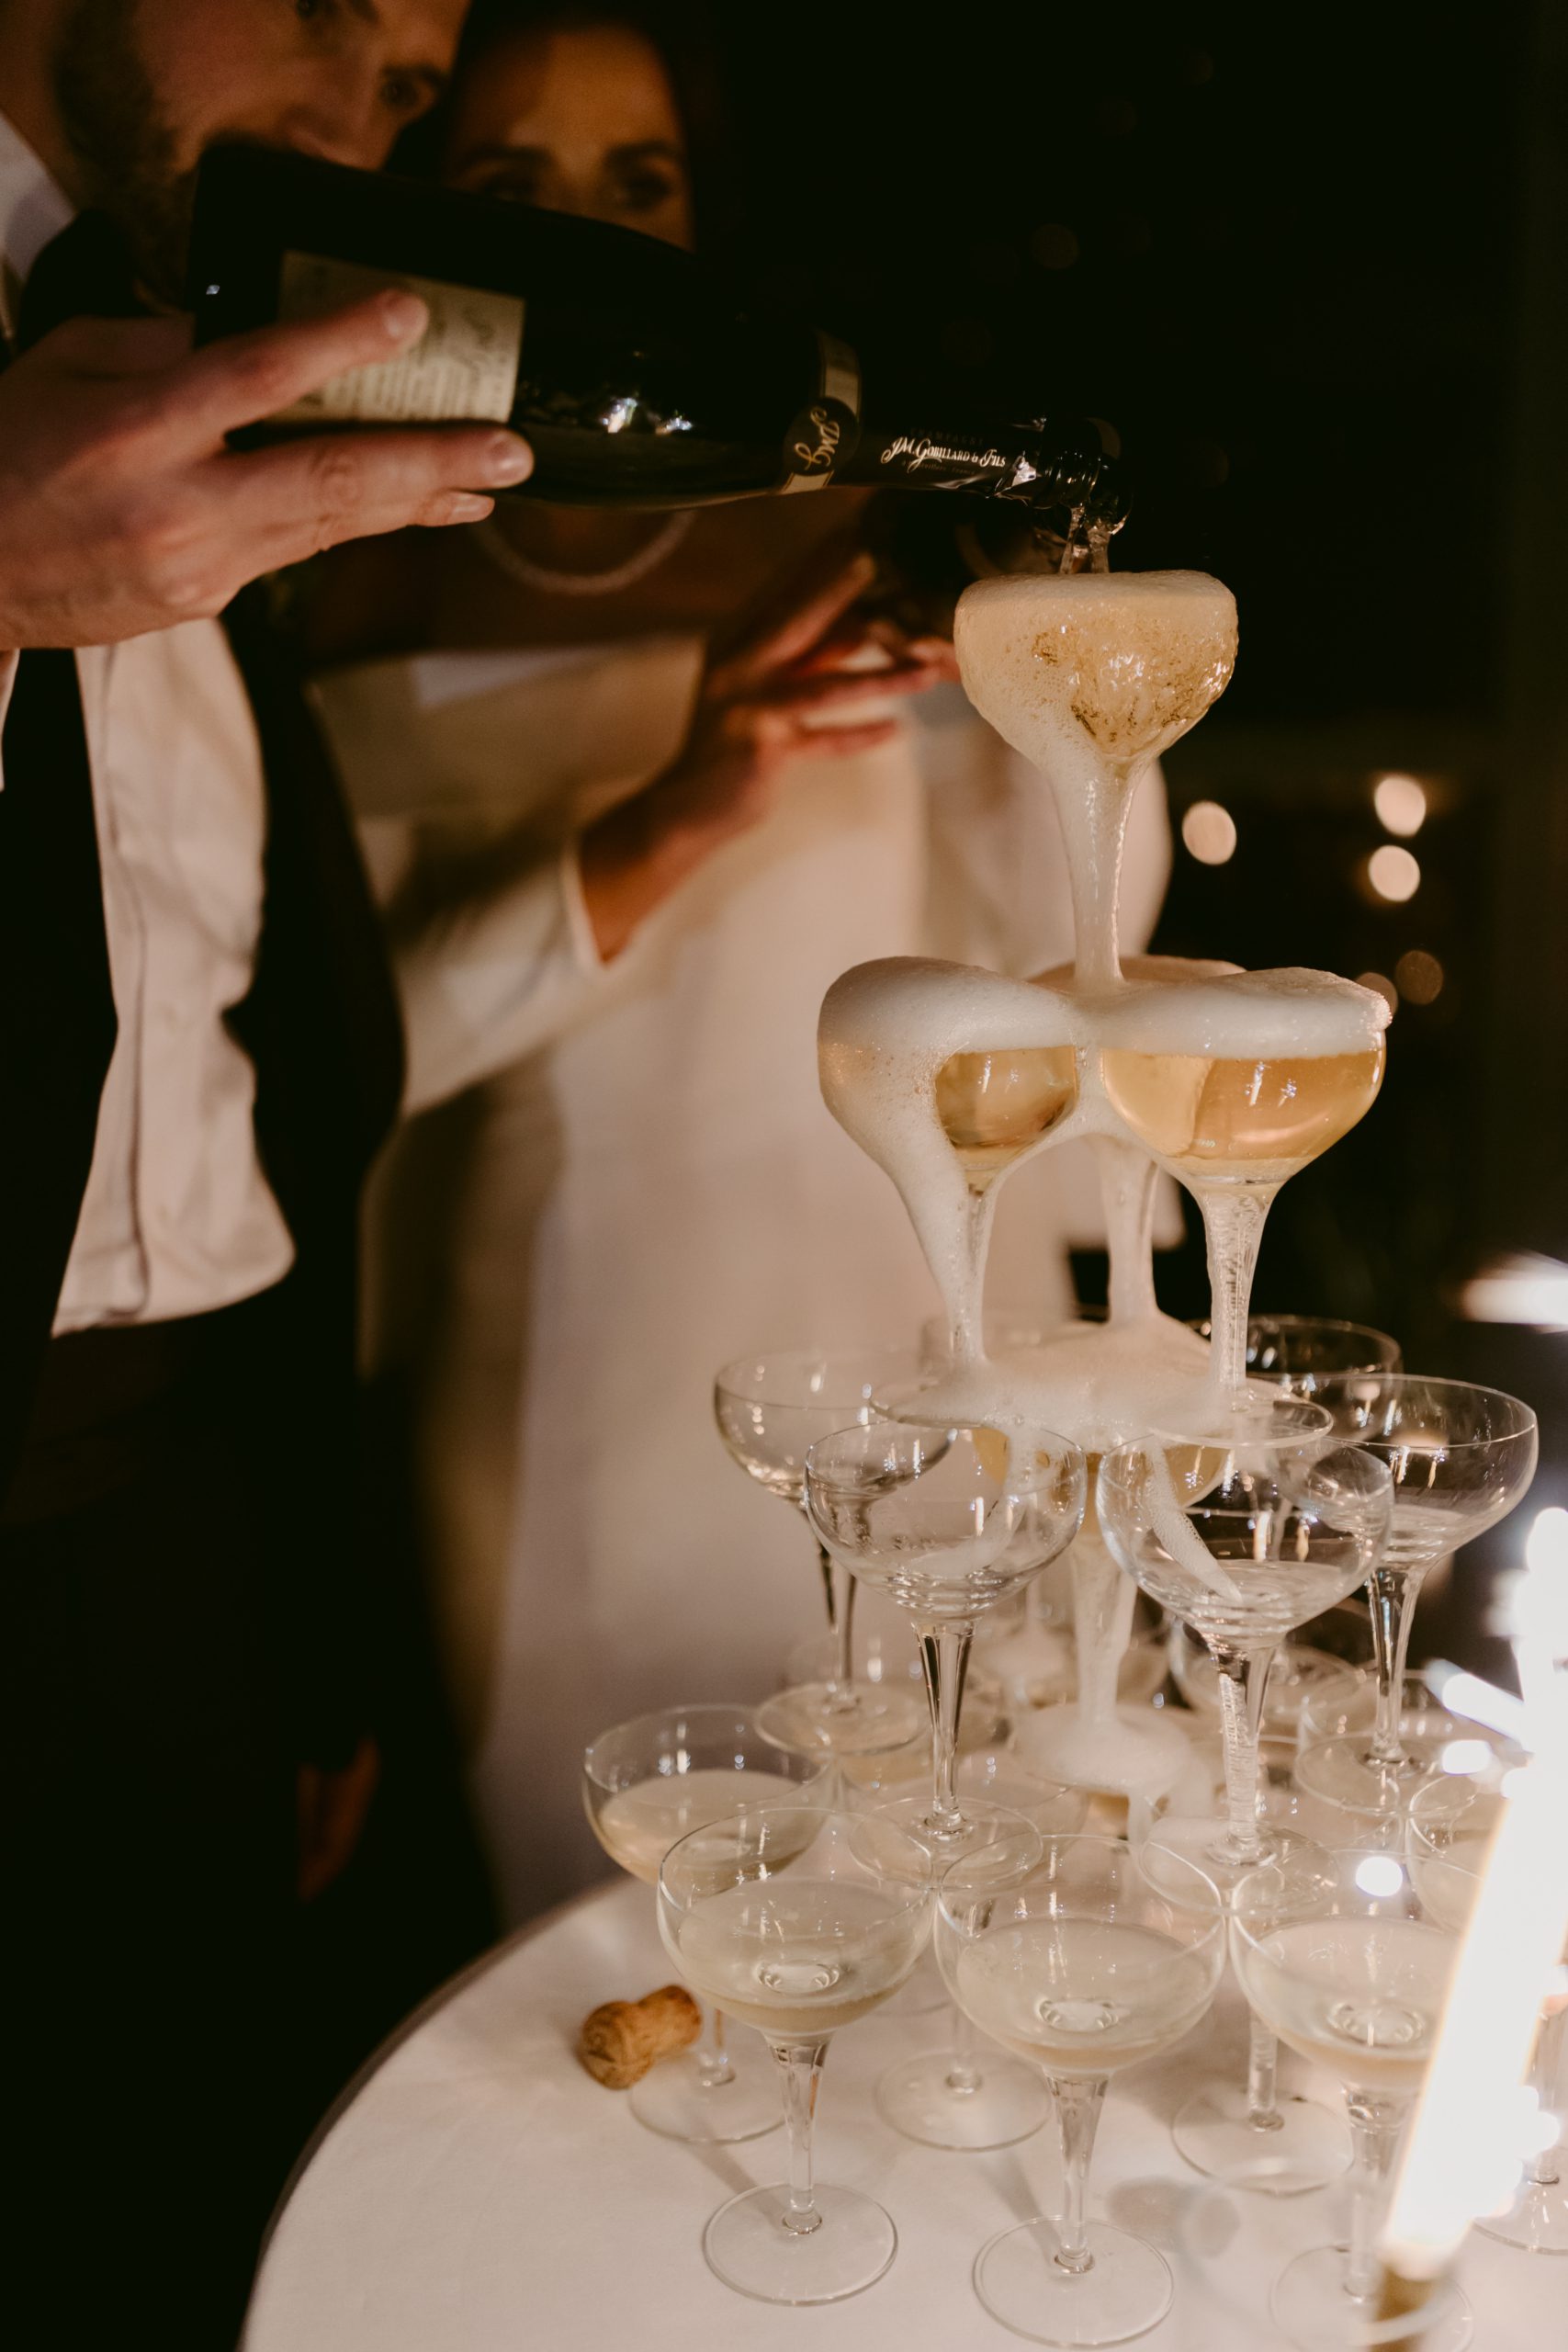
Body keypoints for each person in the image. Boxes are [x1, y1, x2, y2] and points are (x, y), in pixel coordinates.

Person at [308, 1, 1174, 1923]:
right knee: (626, 1931)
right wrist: (683, 799)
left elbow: (1083, 946)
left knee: (969, 1906)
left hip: (926, 1346)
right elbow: (329, 1055)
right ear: (414, 205)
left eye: (641, 178)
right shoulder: (333, 565)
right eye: (508, 179)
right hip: (556, 1382)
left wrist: (1076, 694)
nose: (592, 226)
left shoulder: (847, 519)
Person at [0, 3, 545, 2341]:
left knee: (173, 2229)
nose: (357, 110)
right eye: (322, 3)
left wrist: (299, 1622)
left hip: (187, 1548)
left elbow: (252, 1082)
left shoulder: (222, 363)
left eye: (411, 82)